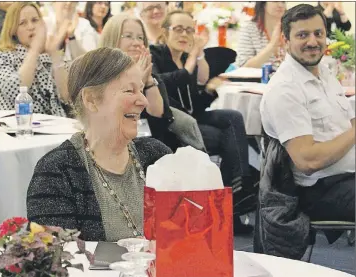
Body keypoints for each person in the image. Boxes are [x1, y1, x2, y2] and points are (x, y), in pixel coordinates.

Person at [27, 48, 172, 241]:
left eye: (141, 89)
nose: (144, 101)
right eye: (129, 90)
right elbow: (57, 259)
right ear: (91, 100)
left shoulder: (156, 155)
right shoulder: (56, 172)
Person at [151, 10, 257, 233]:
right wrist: (194, 57)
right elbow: (170, 93)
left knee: (233, 118)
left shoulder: (185, 58)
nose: (184, 34)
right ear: (164, 32)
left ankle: (239, 186)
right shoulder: (156, 56)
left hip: (193, 119)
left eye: (189, 30)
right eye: (178, 29)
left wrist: (209, 90)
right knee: (228, 139)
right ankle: (235, 199)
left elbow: (195, 106)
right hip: (170, 124)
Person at [260, 4, 355, 223]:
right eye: (302, 35)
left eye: (318, 34)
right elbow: (308, 161)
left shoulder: (323, 72)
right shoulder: (285, 90)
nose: (313, 42)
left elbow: (346, 124)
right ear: (286, 41)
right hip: (321, 190)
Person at [99, 13, 205, 152]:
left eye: (140, 37)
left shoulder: (151, 73)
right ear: (112, 38)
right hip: (117, 146)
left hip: (154, 143)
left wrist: (148, 80)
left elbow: (159, 114)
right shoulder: (99, 74)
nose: (136, 42)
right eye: (128, 36)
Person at [0, 2, 67, 116]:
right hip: (18, 125)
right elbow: (15, 89)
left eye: (35, 20)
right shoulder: (2, 55)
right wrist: (34, 50)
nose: (31, 27)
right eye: (23, 23)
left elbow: (67, 95)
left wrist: (54, 55)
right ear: (13, 29)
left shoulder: (48, 53)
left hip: (56, 124)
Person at [235, 2, 286, 68]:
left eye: (283, 1)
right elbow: (244, 66)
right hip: (258, 77)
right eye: (275, 1)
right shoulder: (249, 28)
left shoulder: (290, 28)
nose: (280, 5)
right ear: (263, 4)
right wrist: (272, 45)